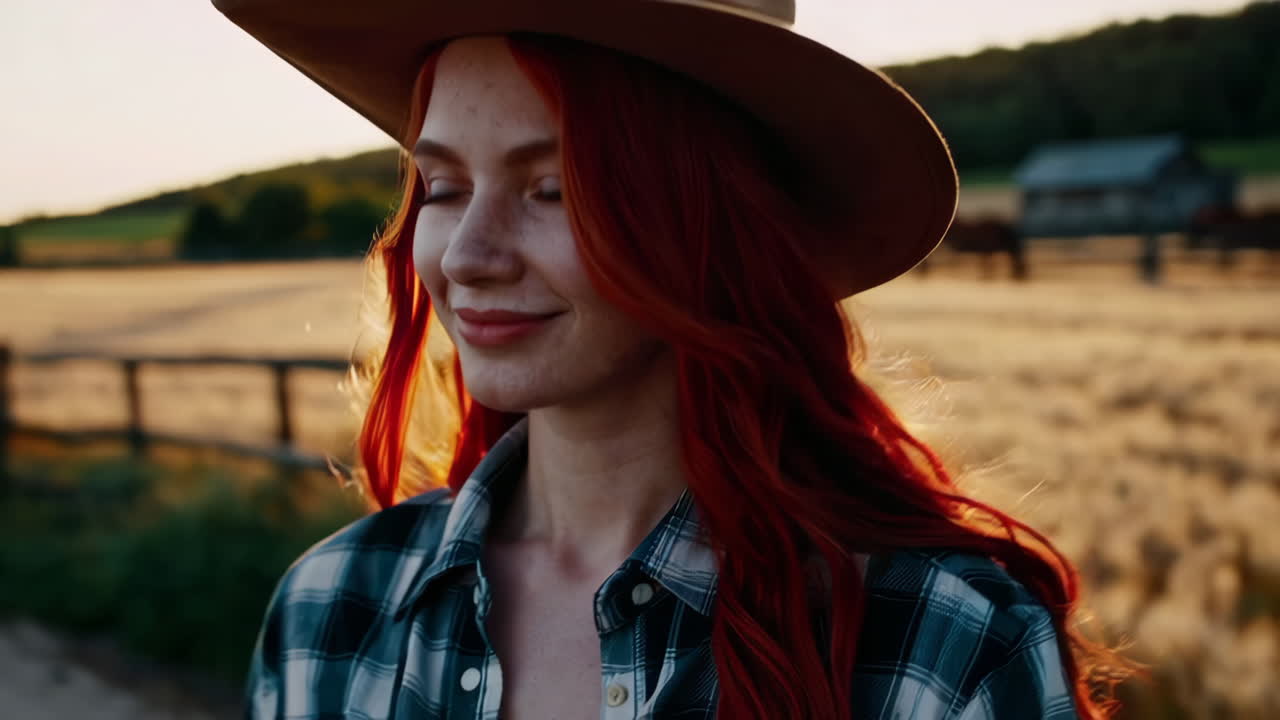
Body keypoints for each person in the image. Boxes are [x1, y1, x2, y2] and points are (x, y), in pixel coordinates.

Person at [213, 1, 1128, 718]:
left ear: (711, 225)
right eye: (444, 188)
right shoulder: (330, 611)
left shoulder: (939, 649)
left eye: (552, 187)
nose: (464, 256)